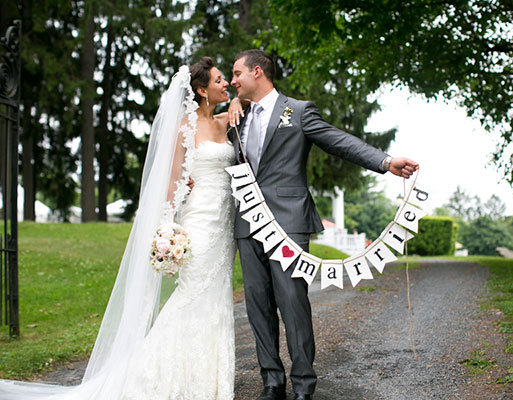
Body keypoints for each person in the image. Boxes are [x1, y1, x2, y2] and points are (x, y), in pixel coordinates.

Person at [0, 57, 240, 400]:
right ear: (202, 90)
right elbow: (173, 181)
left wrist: (234, 101)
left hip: (224, 223)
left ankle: (206, 380)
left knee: (216, 296)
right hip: (200, 219)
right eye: (219, 81)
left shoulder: (224, 121)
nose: (226, 84)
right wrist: (166, 228)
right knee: (193, 294)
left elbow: (249, 99)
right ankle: (154, 373)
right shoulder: (185, 127)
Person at [228, 49, 419, 400]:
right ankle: (272, 382)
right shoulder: (235, 118)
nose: (232, 81)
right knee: (257, 303)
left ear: (258, 71)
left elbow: (338, 141)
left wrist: (385, 161)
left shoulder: (298, 111)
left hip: (288, 222)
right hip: (247, 222)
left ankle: (303, 385)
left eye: (237, 73)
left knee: (292, 301)